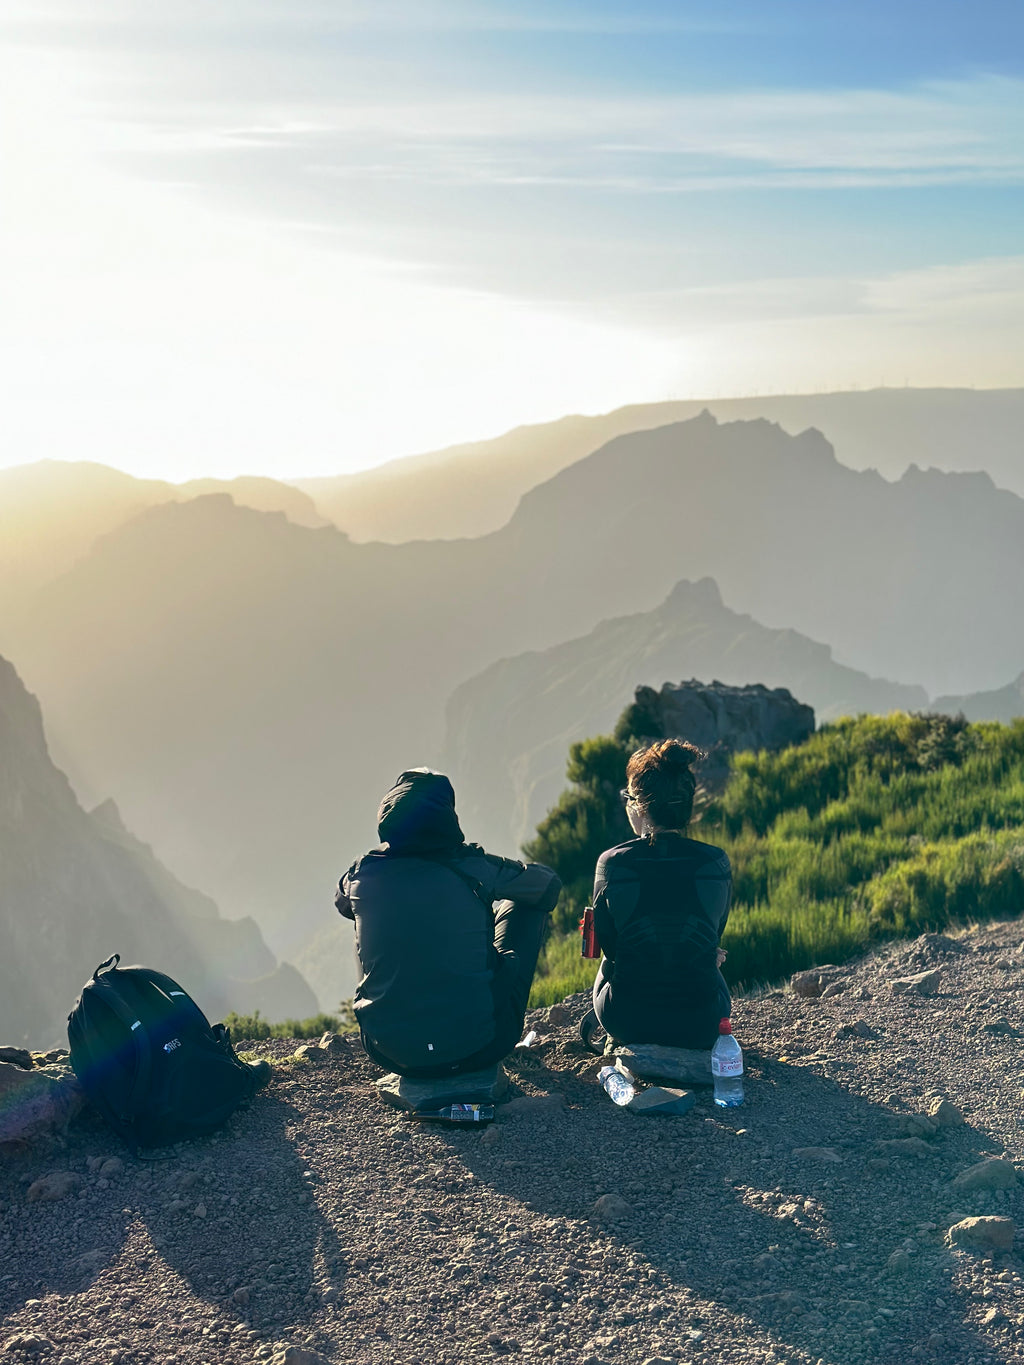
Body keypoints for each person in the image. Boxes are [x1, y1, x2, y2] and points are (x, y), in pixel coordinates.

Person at [335, 768, 561, 1077]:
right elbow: (548, 887)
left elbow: (342, 904)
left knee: (365, 918)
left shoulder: (362, 873)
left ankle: (390, 1012)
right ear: (447, 816)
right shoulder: (472, 866)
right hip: (481, 1047)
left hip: (388, 1051)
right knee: (526, 902)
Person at [590, 739, 732, 1051]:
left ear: (637, 805)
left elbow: (610, 947)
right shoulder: (715, 862)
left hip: (626, 1021)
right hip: (704, 1022)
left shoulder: (612, 864)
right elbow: (713, 933)